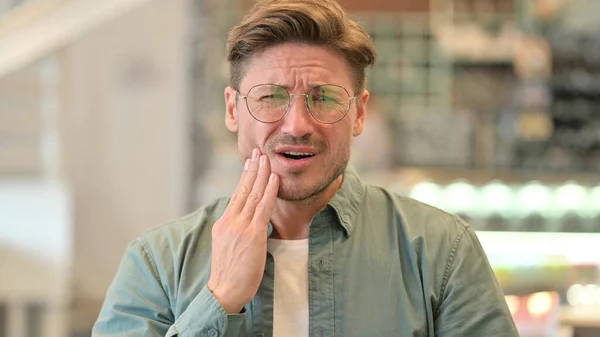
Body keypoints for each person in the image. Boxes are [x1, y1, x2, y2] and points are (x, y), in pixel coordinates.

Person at [92, 0, 519, 336]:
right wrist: (218, 300)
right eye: (270, 96)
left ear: (359, 114)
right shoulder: (157, 262)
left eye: (325, 98)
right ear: (232, 110)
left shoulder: (442, 253)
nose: (297, 125)